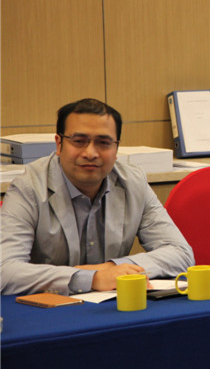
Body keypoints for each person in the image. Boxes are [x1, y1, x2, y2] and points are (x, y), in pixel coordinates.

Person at [0, 99, 194, 296]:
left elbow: (181, 254)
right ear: (59, 144)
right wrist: (90, 278)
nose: (91, 153)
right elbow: (4, 270)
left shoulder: (133, 183)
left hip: (114, 304)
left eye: (103, 143)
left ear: (116, 149)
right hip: (48, 307)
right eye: (78, 141)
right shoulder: (28, 188)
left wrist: (112, 268)